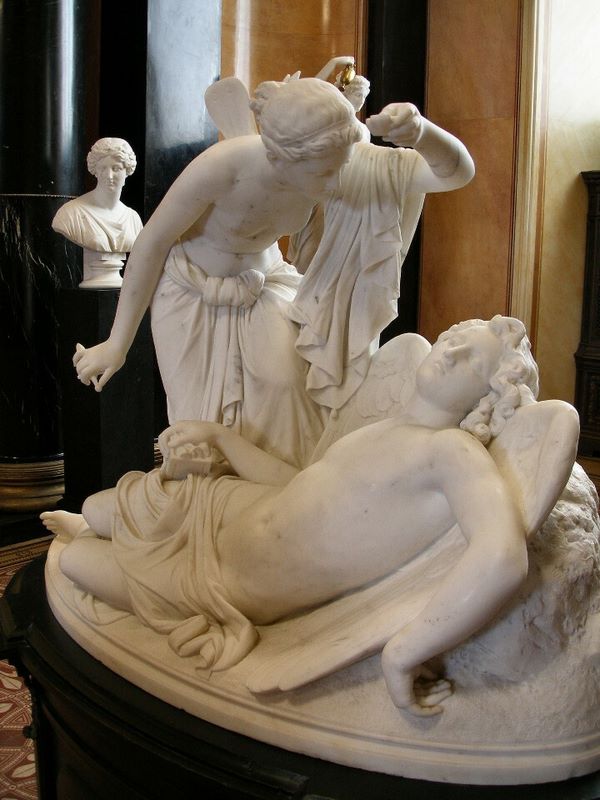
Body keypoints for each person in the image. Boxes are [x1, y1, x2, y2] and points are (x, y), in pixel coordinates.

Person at [44, 316, 537, 716]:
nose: (449, 352)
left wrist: (406, 650)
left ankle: (97, 539)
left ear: (485, 400)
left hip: (225, 579)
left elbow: (502, 556)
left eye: (471, 360)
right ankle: (92, 528)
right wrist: (221, 438)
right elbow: (298, 485)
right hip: (224, 508)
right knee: (94, 508)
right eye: (453, 339)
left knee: (76, 562)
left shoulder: (452, 452)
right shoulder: (389, 427)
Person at [73, 77, 474, 467]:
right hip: (190, 295)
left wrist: (422, 132)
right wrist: (117, 343)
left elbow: (454, 173)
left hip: (266, 285)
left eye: (340, 167)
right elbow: (152, 242)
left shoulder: (335, 160)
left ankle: (282, 499)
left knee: (291, 388)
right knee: (198, 430)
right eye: (324, 173)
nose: (337, 181)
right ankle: (212, 502)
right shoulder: (224, 167)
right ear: (279, 158)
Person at [52, 138, 142, 287]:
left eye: (116, 168)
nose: (109, 176)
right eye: (103, 168)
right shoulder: (71, 213)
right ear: (95, 170)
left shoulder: (133, 219)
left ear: (127, 171)